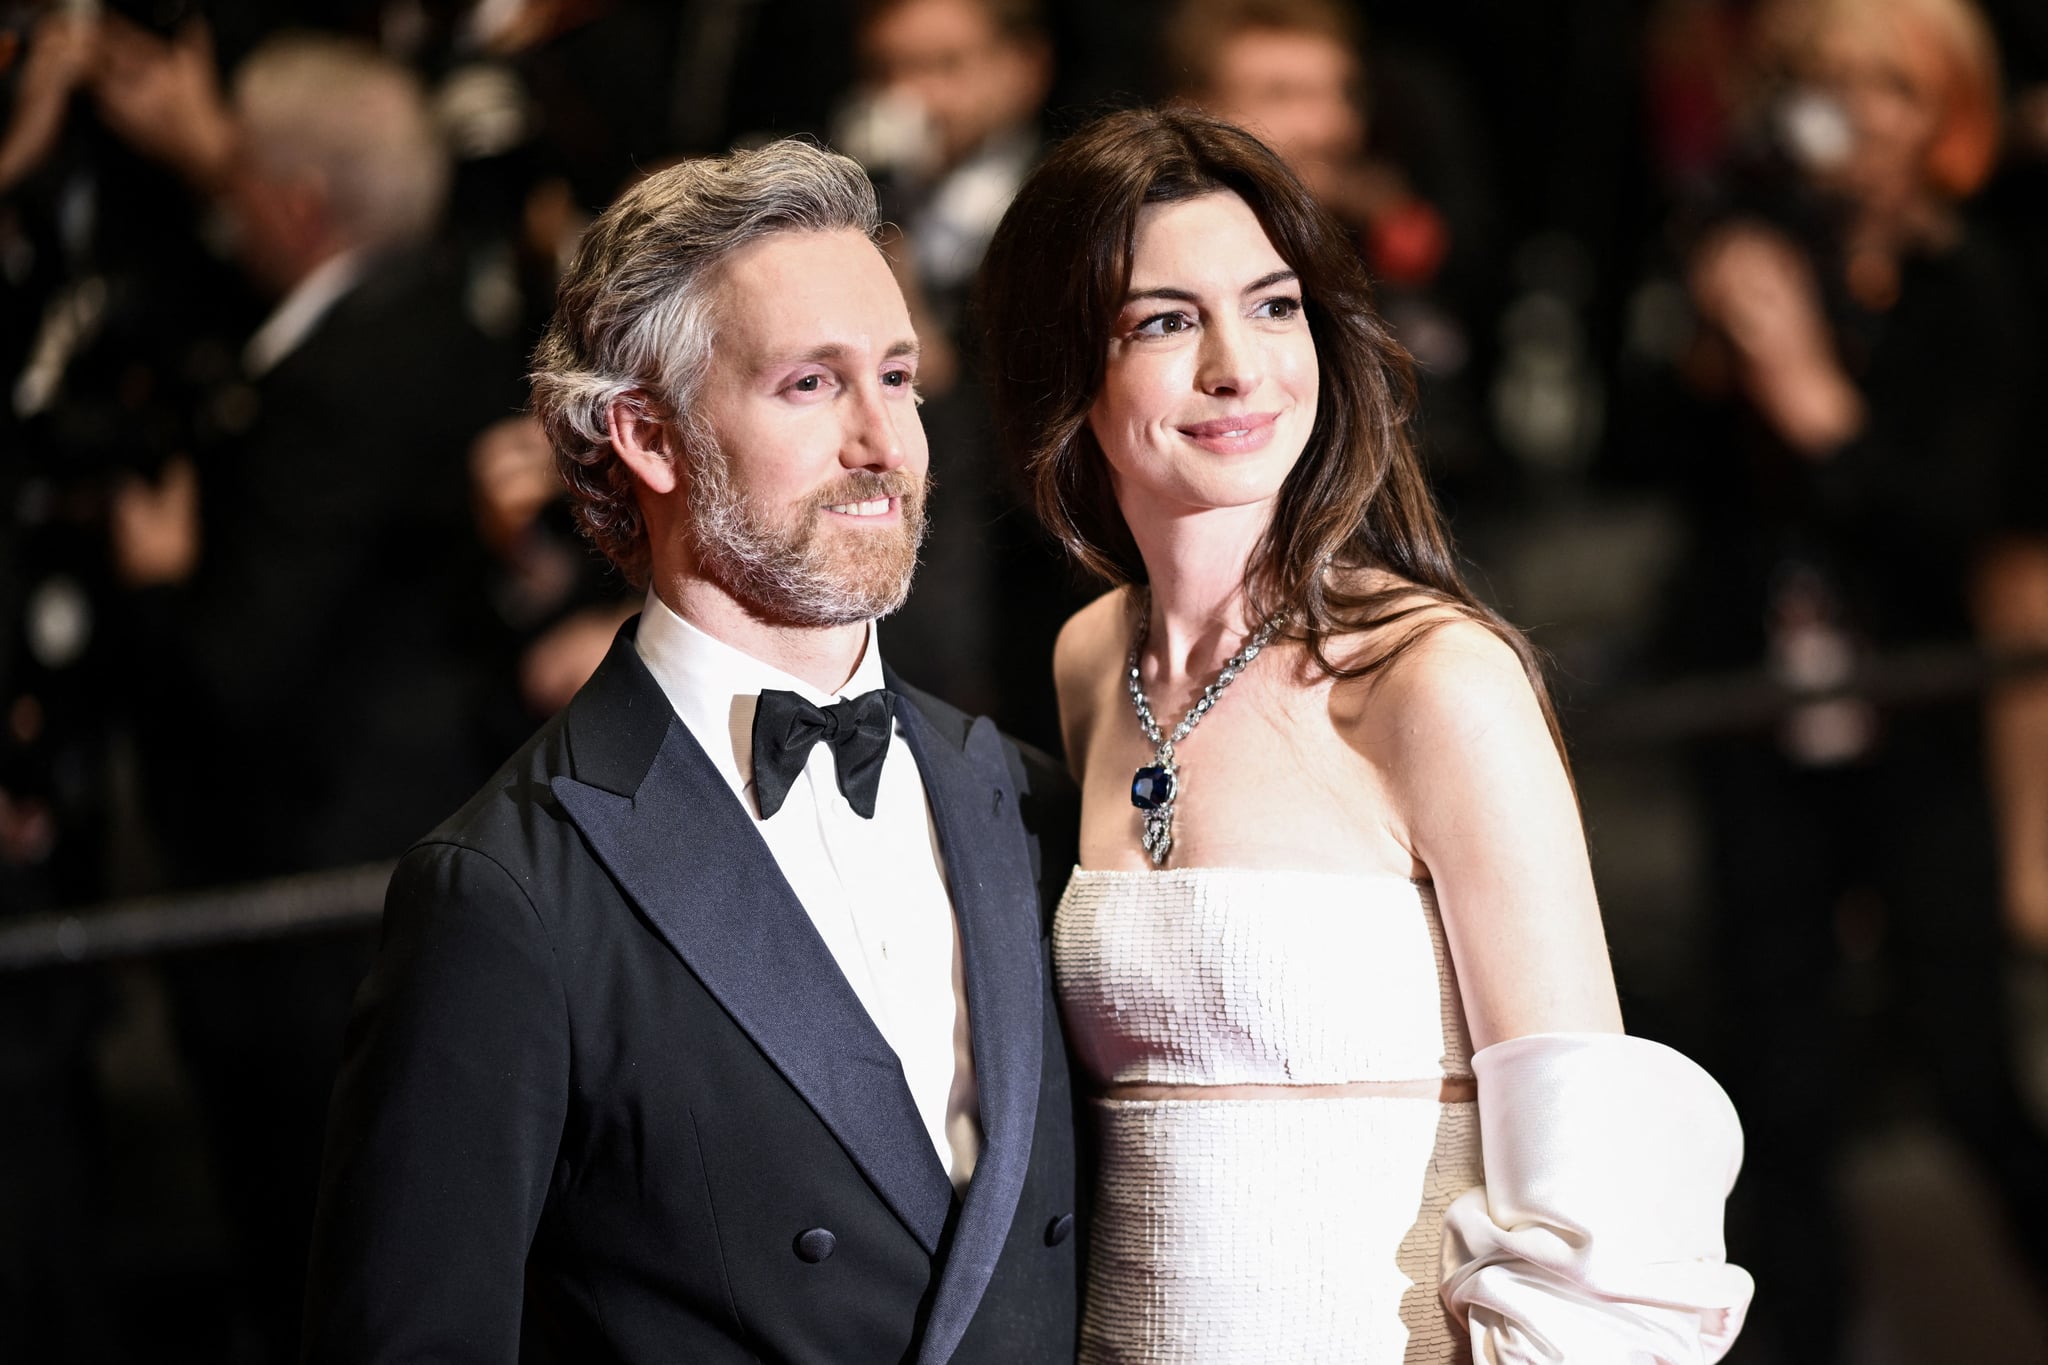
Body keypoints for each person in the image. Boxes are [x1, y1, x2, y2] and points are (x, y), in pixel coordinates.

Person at [978, 106, 1753, 1362]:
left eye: (1274, 305)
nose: (1241, 366)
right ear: (1064, 369)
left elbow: (1599, 1206)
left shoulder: (1429, 678)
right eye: (1165, 321)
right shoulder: (1087, 661)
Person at [303, 139, 1082, 1364]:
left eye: (896, 377)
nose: (883, 442)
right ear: (650, 439)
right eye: (810, 387)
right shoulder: (506, 894)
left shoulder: (1027, 801)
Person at [1635, 0, 2048, 1356]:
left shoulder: (1969, 283)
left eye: (1891, 90)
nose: (1854, 119)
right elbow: (1642, 477)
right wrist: (1710, 345)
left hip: (1920, 715)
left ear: (1946, 118)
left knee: (1971, 1065)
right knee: (1778, 1080)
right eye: (1825, 86)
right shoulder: (1738, 252)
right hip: (1759, 722)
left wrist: (1813, 395)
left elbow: (1956, 519)